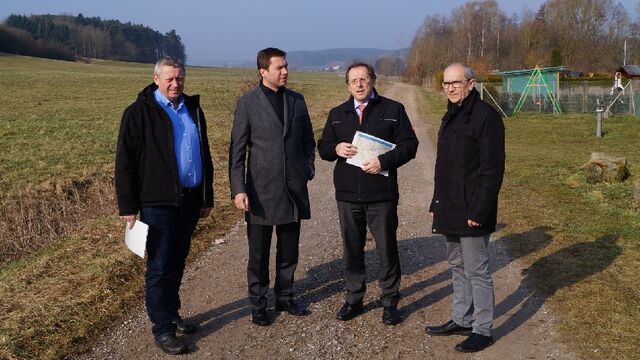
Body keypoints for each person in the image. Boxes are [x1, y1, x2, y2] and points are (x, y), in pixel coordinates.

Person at [115, 56, 214, 355]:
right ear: (156, 79)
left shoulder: (193, 109)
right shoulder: (138, 113)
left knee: (178, 260)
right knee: (159, 266)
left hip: (189, 199)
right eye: (169, 79)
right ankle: (162, 328)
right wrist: (128, 206)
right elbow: (125, 163)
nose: (175, 84)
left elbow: (204, 154)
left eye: (180, 78)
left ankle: (171, 313)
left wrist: (206, 196)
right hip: (157, 202)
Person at [317, 62, 419, 325]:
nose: (359, 84)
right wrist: (336, 148)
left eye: (364, 79)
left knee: (386, 249)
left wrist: (384, 162)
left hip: (381, 194)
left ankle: (389, 301)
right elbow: (323, 147)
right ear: (348, 85)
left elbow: (410, 145)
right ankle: (354, 298)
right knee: (352, 249)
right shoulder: (337, 113)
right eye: (354, 80)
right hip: (348, 195)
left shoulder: (393, 110)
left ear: (373, 80)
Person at [229, 47, 315, 326]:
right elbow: (237, 151)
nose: (285, 71)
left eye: (286, 66)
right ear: (263, 71)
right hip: (259, 193)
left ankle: (285, 297)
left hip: (293, 190)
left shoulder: (297, 101)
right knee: (258, 254)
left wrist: (307, 170)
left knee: (289, 251)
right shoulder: (247, 103)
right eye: (279, 68)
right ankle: (258, 303)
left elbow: (307, 142)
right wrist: (238, 189)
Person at [425, 62, 505, 353]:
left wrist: (479, 211)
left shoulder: (486, 118)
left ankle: (483, 330)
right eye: (446, 84)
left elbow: (492, 170)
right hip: (450, 206)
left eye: (455, 83)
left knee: (477, 271)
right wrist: (436, 201)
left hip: (472, 210)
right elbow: (443, 166)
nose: (450, 88)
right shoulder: (451, 115)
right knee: (458, 267)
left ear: (470, 84)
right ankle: (462, 318)